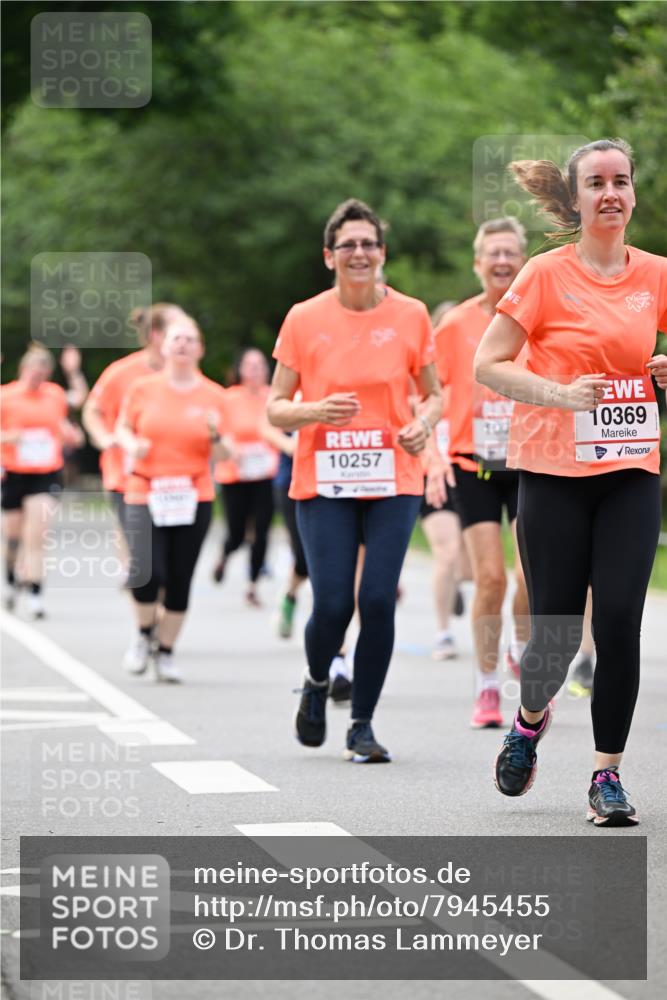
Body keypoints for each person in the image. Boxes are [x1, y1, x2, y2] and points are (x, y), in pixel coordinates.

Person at [474, 138, 667, 826]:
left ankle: (604, 776)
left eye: (621, 181)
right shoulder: (544, 274)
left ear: (633, 193)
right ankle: (527, 722)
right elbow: (488, 364)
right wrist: (557, 394)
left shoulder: (656, 274)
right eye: (596, 183)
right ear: (577, 197)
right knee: (554, 636)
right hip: (553, 471)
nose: (610, 193)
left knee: (617, 622)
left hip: (628, 470)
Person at [267, 197, 441, 762]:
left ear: (382, 253)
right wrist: (315, 411)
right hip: (325, 481)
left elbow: (436, 395)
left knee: (379, 599)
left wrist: (422, 423)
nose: (360, 253)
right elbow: (275, 407)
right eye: (349, 245)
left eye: (369, 243)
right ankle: (318, 680)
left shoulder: (411, 315)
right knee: (335, 602)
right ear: (329, 256)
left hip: (395, 476)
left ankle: (362, 724)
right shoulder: (304, 317)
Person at [433, 218, 530, 727]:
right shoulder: (453, 326)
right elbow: (430, 392)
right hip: (474, 466)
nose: (501, 260)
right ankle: (489, 687)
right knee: (489, 578)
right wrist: (431, 452)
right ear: (477, 262)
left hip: (532, 460)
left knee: (529, 579)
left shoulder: (541, 317)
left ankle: (518, 647)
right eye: (492, 252)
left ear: (523, 260)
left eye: (510, 252)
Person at [116, 313, 232, 682]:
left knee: (179, 578)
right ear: (162, 346)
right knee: (146, 572)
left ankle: (165, 653)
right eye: (175, 339)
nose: (182, 345)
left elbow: (226, 455)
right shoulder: (142, 389)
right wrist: (133, 444)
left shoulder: (215, 396)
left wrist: (215, 437)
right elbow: (121, 427)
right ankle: (142, 634)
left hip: (192, 495)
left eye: (189, 339)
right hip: (144, 489)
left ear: (200, 349)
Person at [83, 304, 184, 557]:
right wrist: (105, 438)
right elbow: (91, 410)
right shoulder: (121, 372)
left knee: (166, 555)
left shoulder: (185, 374)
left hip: (172, 478)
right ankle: (136, 583)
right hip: (125, 474)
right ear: (155, 335)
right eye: (176, 330)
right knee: (138, 555)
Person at [1, 345, 84, 618]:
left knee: (37, 535)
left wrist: (73, 371)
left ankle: (36, 594)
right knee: (13, 537)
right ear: (22, 370)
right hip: (12, 472)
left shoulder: (54, 395)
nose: (37, 377)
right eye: (32, 372)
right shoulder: (6, 396)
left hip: (45, 473)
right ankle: (12, 575)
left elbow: (80, 400)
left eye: (42, 373)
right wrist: (8, 438)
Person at [212, 348, 279, 607]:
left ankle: (252, 584)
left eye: (260, 365)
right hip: (235, 473)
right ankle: (226, 554)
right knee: (238, 532)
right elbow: (218, 431)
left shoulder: (274, 396)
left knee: (262, 530)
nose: (255, 370)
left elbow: (282, 428)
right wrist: (231, 447)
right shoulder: (228, 398)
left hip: (265, 474)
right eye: (249, 365)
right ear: (240, 369)